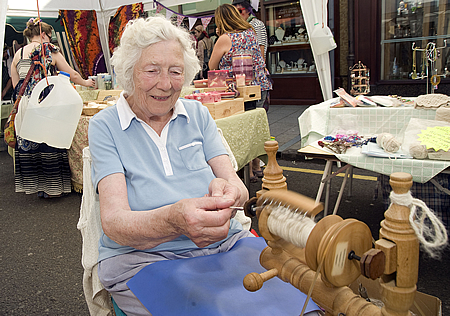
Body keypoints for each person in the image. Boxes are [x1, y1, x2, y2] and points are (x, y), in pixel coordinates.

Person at [88, 16, 251, 315]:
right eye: (151, 71)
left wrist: (228, 195)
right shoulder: (105, 127)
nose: (165, 84)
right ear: (129, 72)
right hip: (143, 259)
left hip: (224, 247)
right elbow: (113, 222)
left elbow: (238, 189)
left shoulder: (198, 114)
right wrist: (174, 221)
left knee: (301, 297)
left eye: (175, 71)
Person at [10, 18, 95, 198]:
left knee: (31, 144)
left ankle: (38, 187)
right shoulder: (49, 50)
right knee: (50, 142)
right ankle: (53, 189)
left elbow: (16, 82)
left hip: (26, 104)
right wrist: (87, 83)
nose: (50, 39)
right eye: (50, 35)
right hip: (47, 103)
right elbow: (71, 74)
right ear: (43, 34)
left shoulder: (18, 53)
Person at [209, 3, 272, 182]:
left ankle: (247, 173)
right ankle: (256, 167)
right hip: (259, 85)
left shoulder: (225, 38)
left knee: (241, 130)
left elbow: (212, 66)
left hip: (236, 90)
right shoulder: (251, 32)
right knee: (253, 127)